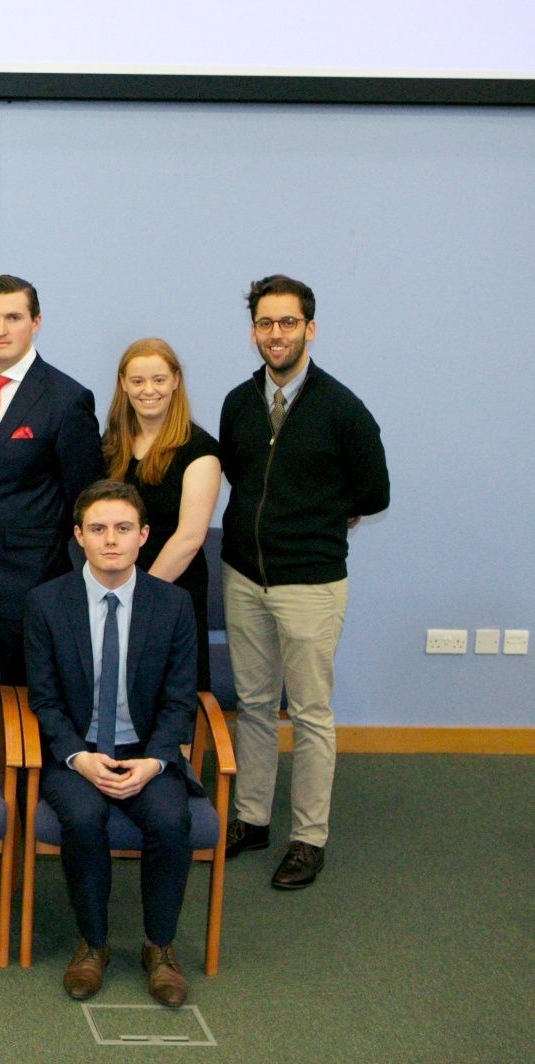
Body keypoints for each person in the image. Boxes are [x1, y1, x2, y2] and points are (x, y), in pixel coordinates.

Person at [219, 275, 389, 890]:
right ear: (254, 332)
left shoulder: (342, 409)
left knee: (311, 712)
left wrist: (321, 515)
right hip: (244, 576)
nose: (276, 334)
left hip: (310, 584)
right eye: (265, 323)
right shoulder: (239, 402)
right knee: (255, 705)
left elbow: (374, 493)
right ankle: (252, 818)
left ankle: (308, 839)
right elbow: (240, 476)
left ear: (309, 329)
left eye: (288, 322)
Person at [24, 480, 201, 1007]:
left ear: (143, 535)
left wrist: (156, 761)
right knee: (83, 818)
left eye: (123, 528)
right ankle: (93, 944)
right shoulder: (46, 603)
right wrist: (78, 757)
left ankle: (159, 946)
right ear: (79, 536)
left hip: (145, 750)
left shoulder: (173, 605)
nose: (111, 540)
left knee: (170, 820)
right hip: (77, 751)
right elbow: (44, 699)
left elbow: (180, 700)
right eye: (98, 529)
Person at [0, 274, 102, 686]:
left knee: (16, 705)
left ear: (36, 322)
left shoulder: (67, 398)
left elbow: (85, 499)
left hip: (23, 585)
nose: (0, 329)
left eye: (13, 317)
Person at [103, 338, 222, 691]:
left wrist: (138, 595)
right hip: (115, 584)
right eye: (138, 381)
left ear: (175, 381)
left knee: (171, 691)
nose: (148, 390)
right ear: (123, 383)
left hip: (171, 588)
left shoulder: (199, 449)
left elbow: (189, 538)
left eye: (158, 379)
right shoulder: (111, 444)